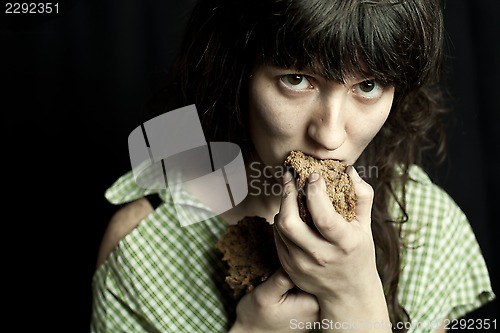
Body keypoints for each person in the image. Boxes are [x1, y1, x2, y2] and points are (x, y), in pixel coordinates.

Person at [90, 0, 495, 332]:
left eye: (368, 86)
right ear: (238, 73)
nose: (330, 135)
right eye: (297, 80)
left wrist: (354, 300)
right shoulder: (142, 246)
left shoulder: (428, 223)